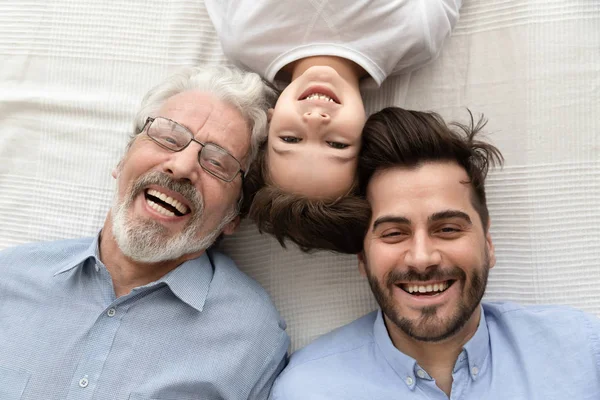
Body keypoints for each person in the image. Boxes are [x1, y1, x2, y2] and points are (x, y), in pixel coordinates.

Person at [0, 65, 289, 400]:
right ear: (123, 159)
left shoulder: (253, 338)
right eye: (169, 138)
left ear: (234, 216)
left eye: (217, 163)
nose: (181, 167)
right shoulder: (9, 279)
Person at [269, 107, 600, 399]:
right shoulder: (307, 390)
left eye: (448, 229)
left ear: (488, 244)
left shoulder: (583, 351)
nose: (422, 257)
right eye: (394, 233)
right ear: (362, 258)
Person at [205, 0, 462, 253]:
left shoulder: (242, 38)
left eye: (290, 139)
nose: (315, 120)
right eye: (336, 144)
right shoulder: (417, 35)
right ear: (367, 134)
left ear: (268, 122)